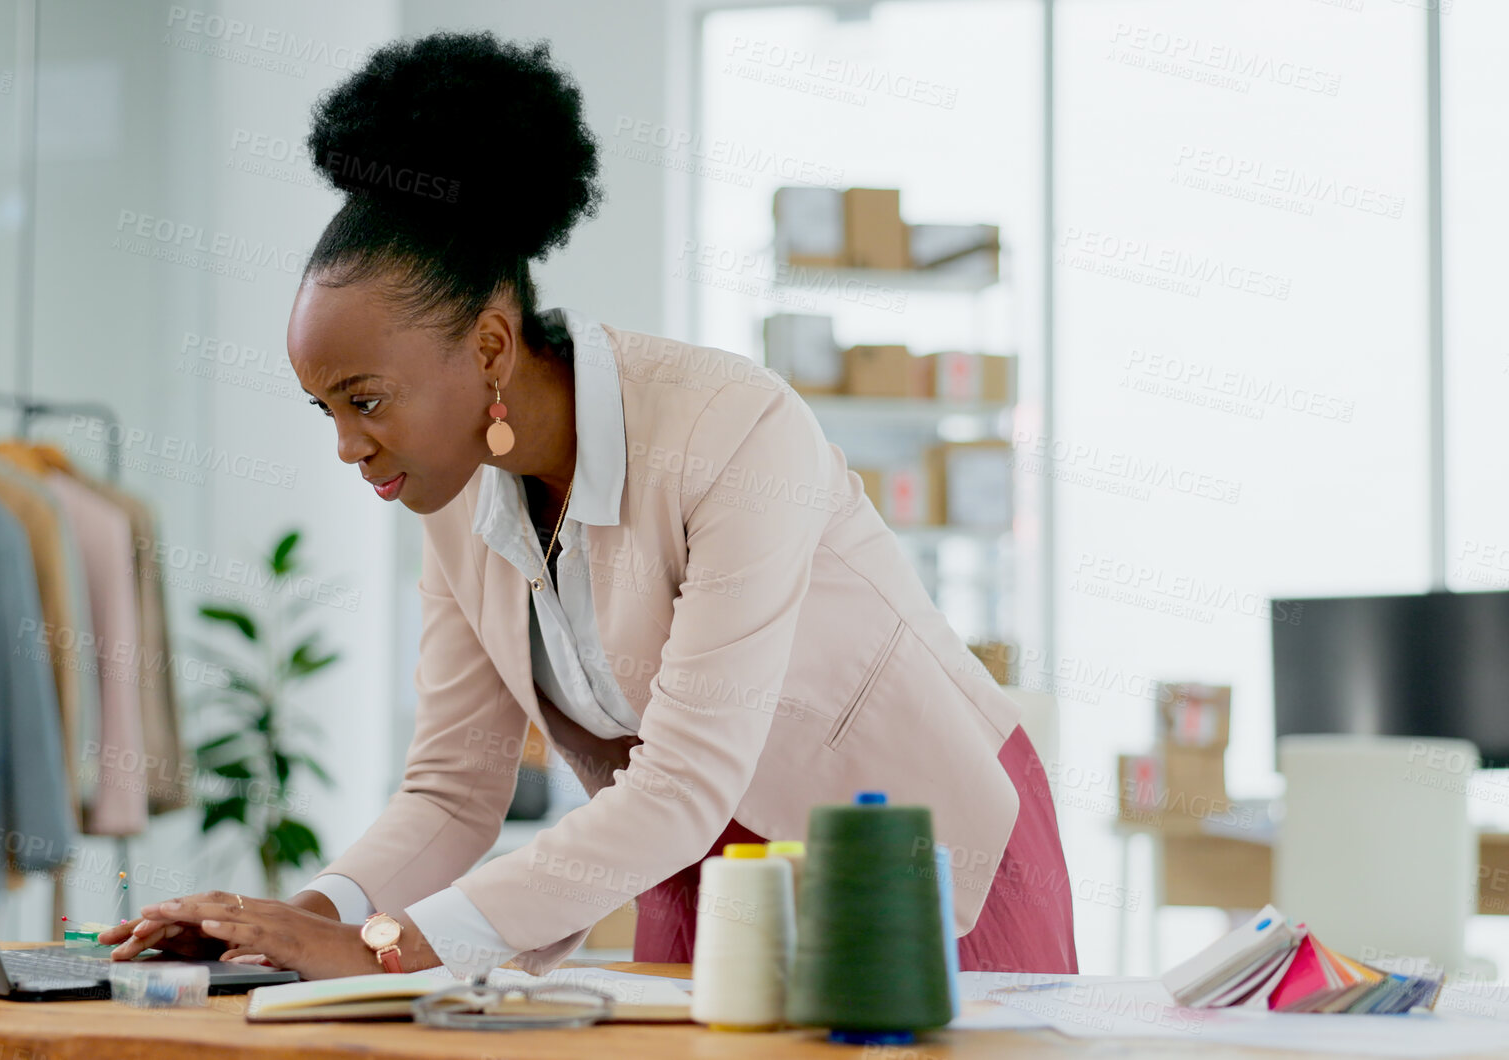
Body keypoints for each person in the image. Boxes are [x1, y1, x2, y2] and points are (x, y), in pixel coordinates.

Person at [103, 31, 1076, 980]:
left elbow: (683, 780)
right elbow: (451, 790)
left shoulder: (731, 426)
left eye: (365, 400)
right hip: (712, 877)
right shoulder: (454, 508)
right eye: (327, 410)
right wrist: (290, 925)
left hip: (915, 866)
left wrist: (379, 949)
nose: (348, 446)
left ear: (489, 346)